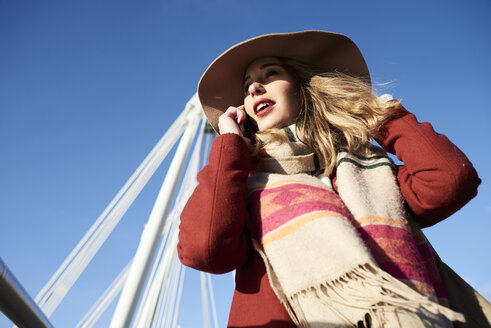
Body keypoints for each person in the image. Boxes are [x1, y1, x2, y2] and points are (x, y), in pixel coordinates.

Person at [177, 31, 486, 327]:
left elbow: (450, 180)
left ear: (305, 86)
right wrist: (230, 143)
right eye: (247, 86)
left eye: (269, 74)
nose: (254, 89)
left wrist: (373, 114)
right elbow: (205, 249)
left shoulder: (370, 171)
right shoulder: (244, 186)